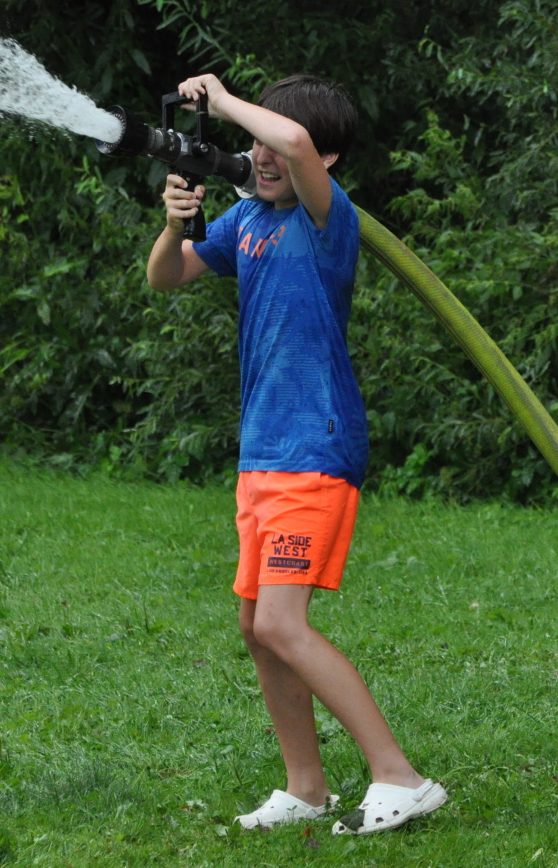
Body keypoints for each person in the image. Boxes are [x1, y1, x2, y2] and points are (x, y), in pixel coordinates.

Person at [146, 72, 446, 837]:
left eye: (271, 143)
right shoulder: (247, 220)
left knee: (282, 624)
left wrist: (221, 103)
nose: (262, 155)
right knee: (258, 627)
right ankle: (306, 787)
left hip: (315, 446)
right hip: (263, 454)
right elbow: (167, 276)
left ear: (325, 159)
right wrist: (176, 225)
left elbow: (294, 141)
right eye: (253, 144)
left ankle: (401, 777)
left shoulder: (326, 217)